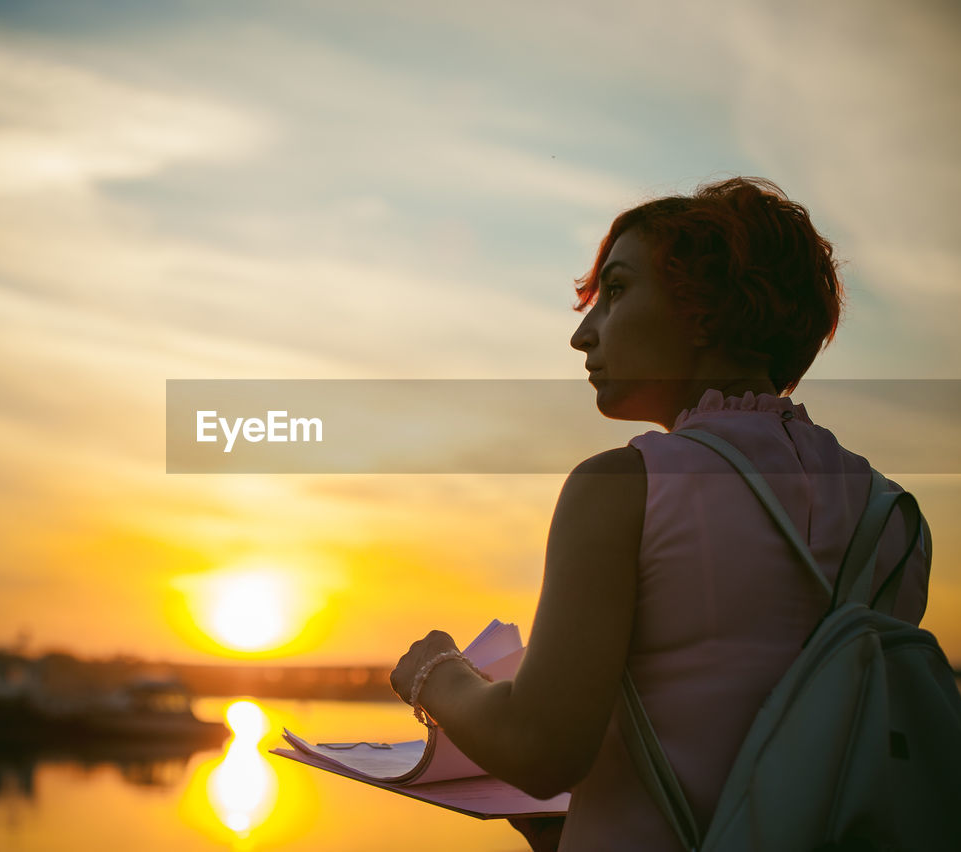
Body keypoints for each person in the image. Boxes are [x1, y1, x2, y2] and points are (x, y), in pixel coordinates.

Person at [389, 177, 931, 851]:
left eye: (615, 291)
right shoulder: (894, 519)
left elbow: (540, 751)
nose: (583, 335)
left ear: (704, 309)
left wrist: (435, 676)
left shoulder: (624, 486)